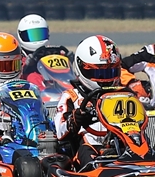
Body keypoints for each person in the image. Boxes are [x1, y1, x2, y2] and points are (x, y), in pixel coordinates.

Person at [53, 35, 126, 164]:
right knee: (86, 148)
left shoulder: (124, 94)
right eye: (99, 74)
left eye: (111, 72)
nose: (105, 79)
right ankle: (98, 170)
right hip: (88, 151)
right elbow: (60, 131)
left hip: (122, 146)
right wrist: (75, 120)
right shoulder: (72, 97)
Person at [18, 13, 71, 81]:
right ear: (21, 35)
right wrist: (27, 65)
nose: (37, 40)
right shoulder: (19, 57)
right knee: (33, 77)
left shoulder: (52, 53)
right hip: (33, 86)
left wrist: (68, 59)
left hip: (56, 84)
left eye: (40, 34)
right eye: (32, 36)